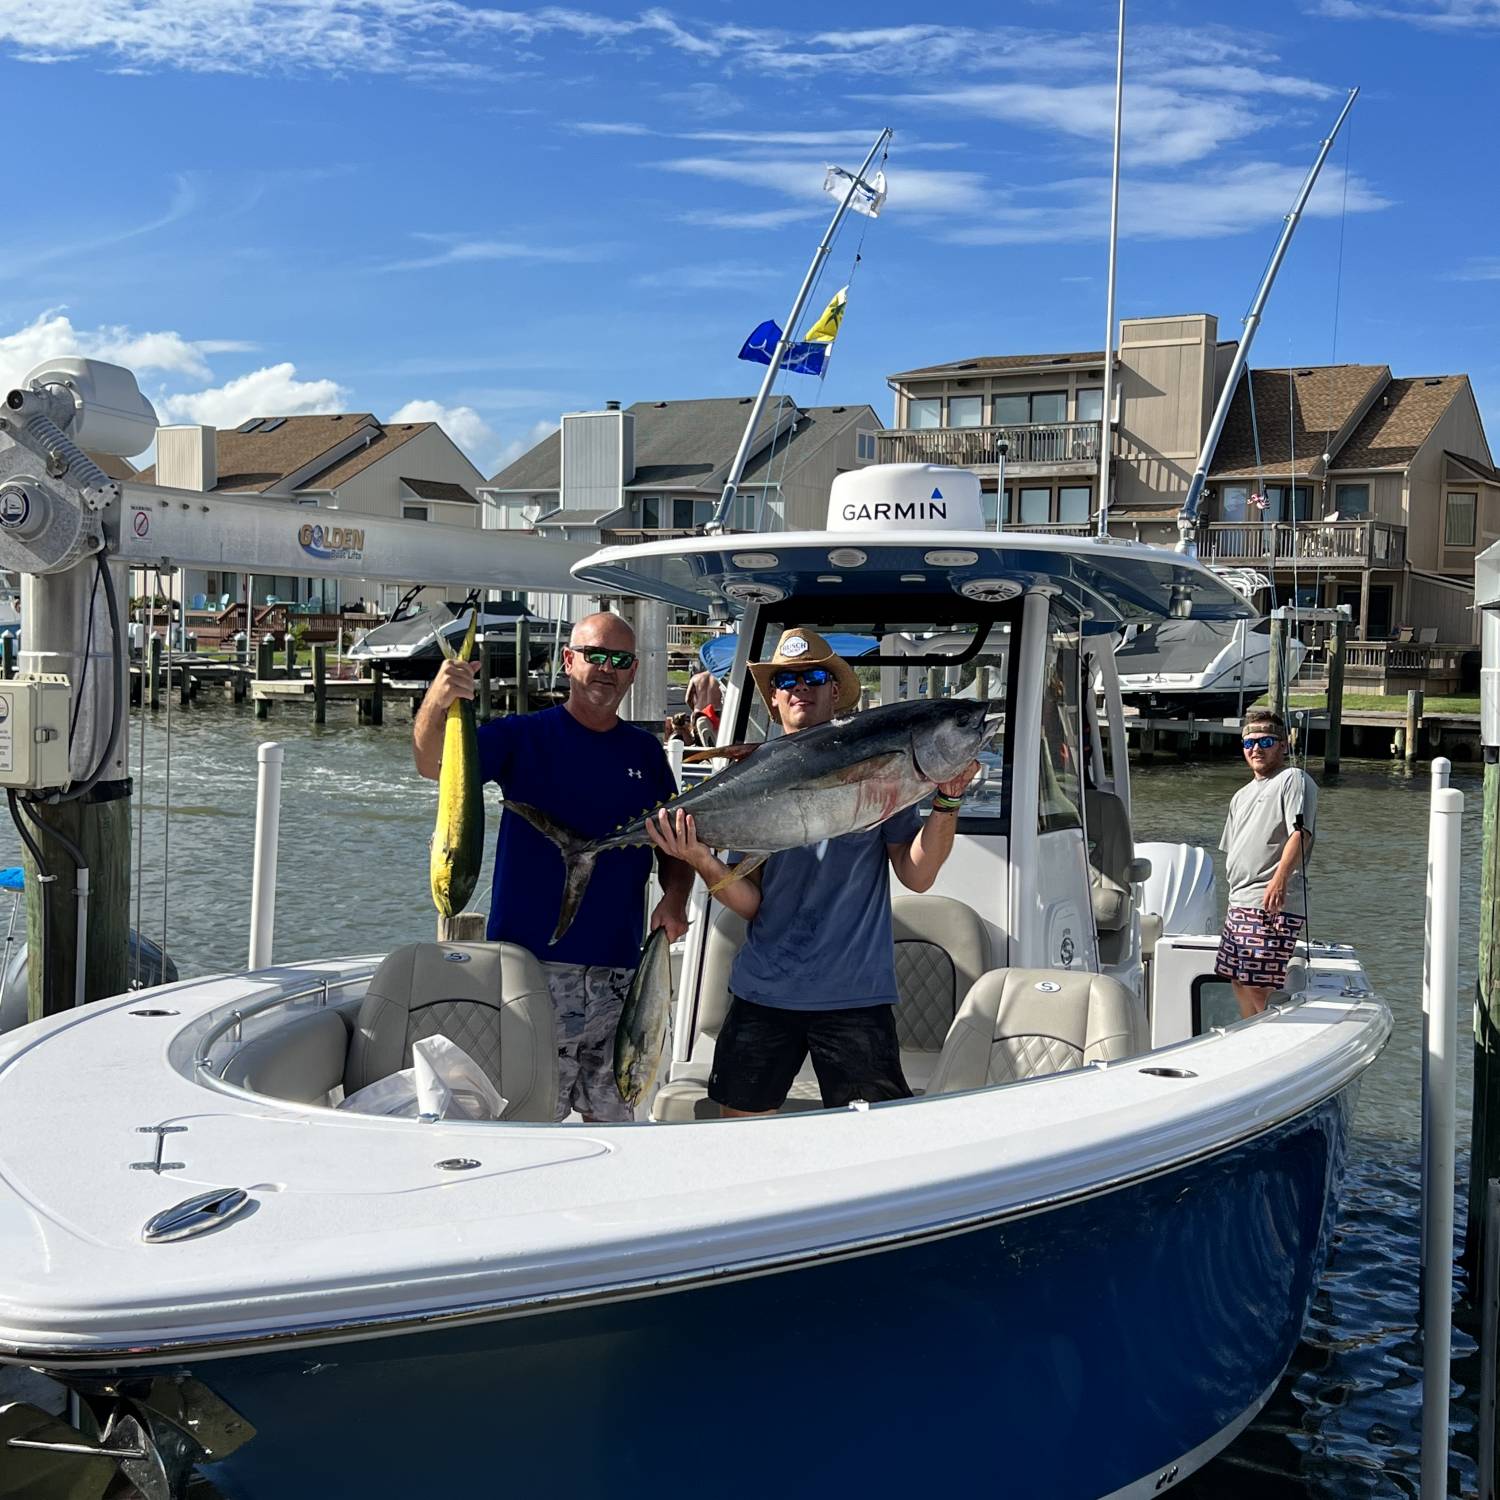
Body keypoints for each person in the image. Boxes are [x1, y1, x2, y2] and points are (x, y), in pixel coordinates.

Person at [646, 626, 979, 1117]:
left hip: (855, 995)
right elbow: (752, 903)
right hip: (764, 991)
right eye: (786, 680)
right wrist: (699, 859)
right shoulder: (752, 773)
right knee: (740, 1132)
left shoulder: (880, 765)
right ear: (775, 700)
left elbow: (917, 875)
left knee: (870, 1146)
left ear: (834, 693)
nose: (801, 686)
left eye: (816, 676)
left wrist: (947, 800)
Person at [414, 611, 693, 1122]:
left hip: (621, 974)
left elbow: (675, 847)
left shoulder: (647, 755)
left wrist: (675, 899)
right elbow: (434, 764)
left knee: (619, 1120)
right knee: (526, 1118)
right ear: (568, 661)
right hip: (528, 971)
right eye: (595, 656)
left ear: (633, 672)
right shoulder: (523, 737)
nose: (607, 669)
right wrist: (439, 698)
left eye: (620, 660)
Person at [1215, 709, 1317, 1019]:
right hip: (1240, 901)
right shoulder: (1240, 796)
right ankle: (1249, 1033)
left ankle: (1266, 1037)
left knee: (1259, 984)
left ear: (1283, 745)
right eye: (1249, 743)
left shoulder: (1292, 779)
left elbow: (1300, 834)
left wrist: (1279, 880)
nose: (1256, 749)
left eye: (1266, 741)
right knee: (1237, 978)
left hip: (1271, 901)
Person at [685, 659, 723, 747]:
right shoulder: (720, 678)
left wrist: (694, 709)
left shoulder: (695, 678)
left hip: (699, 713)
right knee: (715, 742)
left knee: (699, 743)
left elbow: (687, 699)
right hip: (714, 712)